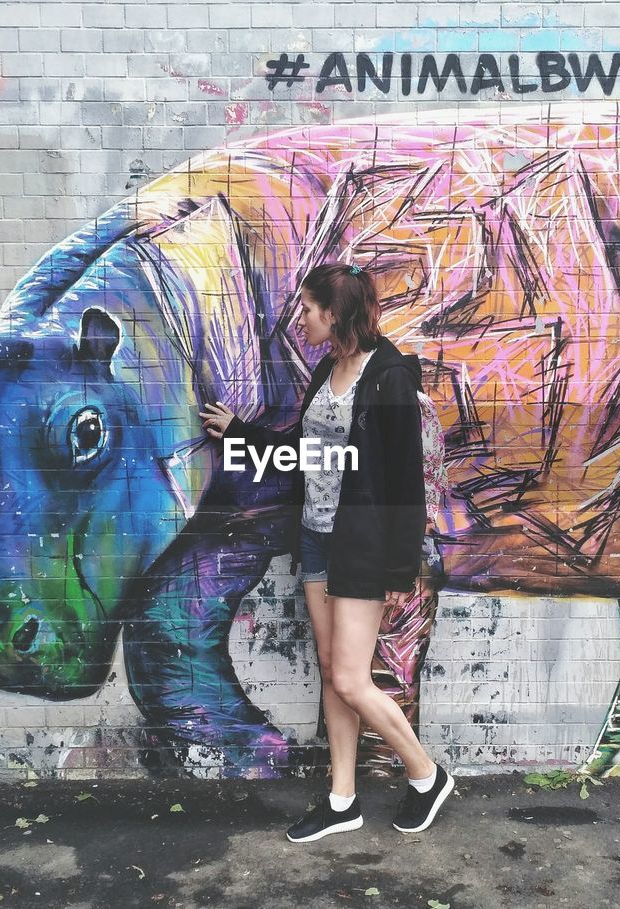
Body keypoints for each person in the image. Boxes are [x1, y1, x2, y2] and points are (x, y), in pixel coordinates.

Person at [199, 262, 455, 843]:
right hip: (315, 537)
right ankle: (342, 800)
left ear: (334, 313)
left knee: (350, 677)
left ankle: (426, 773)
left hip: (360, 546)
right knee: (330, 669)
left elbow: (404, 483)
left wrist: (398, 566)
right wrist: (241, 432)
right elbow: (302, 450)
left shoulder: (388, 376)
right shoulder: (326, 370)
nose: (302, 321)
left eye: (309, 310)